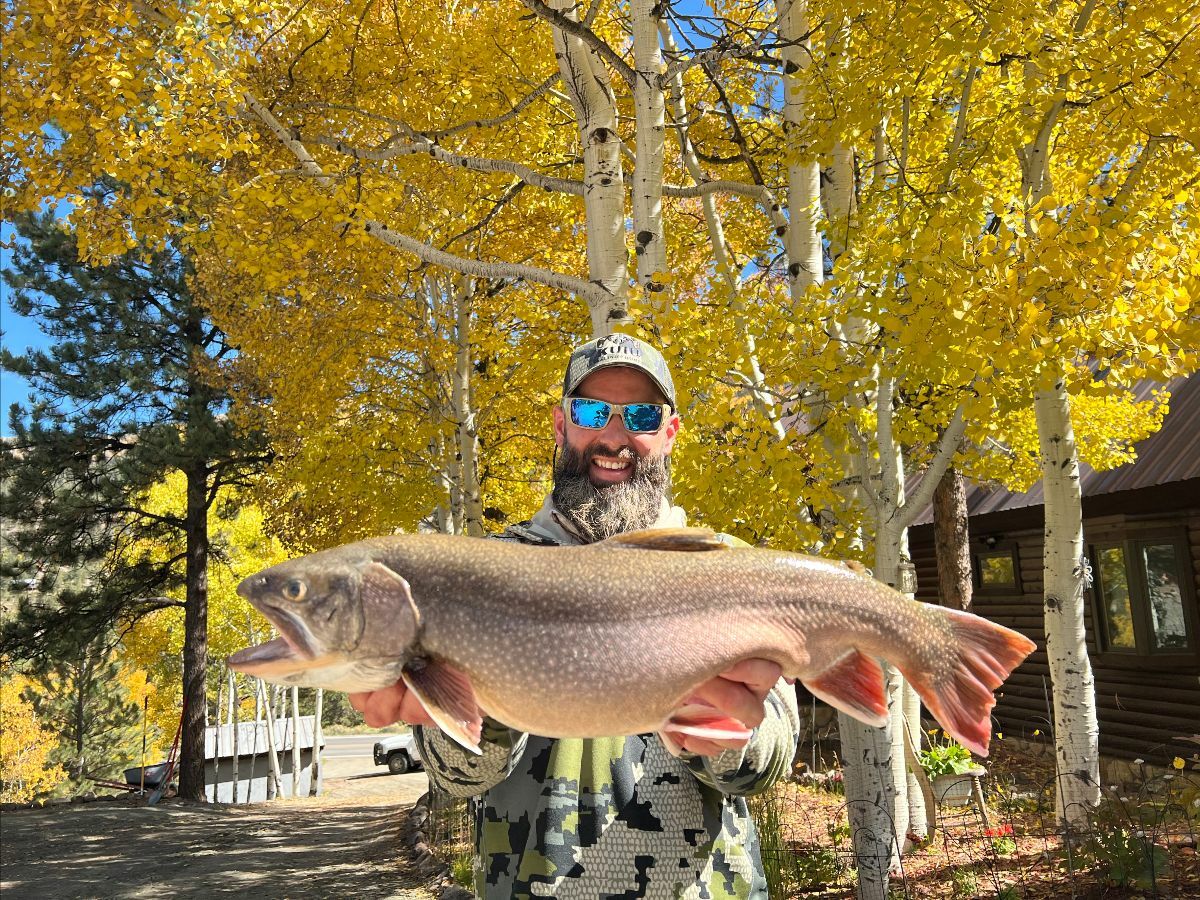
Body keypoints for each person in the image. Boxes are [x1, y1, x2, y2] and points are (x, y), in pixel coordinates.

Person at [351, 333, 800, 899]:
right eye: (591, 411)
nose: (613, 437)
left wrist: (728, 736)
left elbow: (767, 766)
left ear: (669, 432)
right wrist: (491, 696)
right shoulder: (482, 574)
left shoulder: (728, 568)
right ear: (562, 425)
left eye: (640, 413)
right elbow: (456, 777)